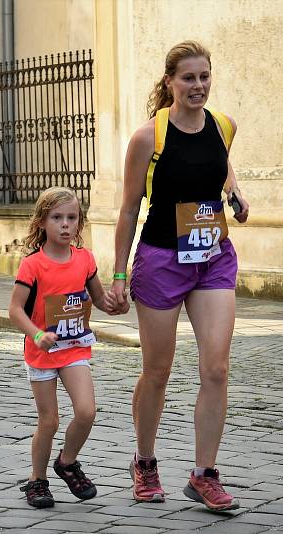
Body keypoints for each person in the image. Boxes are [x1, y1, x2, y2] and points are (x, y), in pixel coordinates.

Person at [110, 41, 248, 511]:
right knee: (158, 370)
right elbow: (129, 209)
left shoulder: (224, 125)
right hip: (162, 259)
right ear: (169, 81)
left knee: (216, 367)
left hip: (212, 255)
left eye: (205, 76)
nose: (199, 86)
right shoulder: (149, 137)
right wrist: (116, 273)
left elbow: (219, 159)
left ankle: (204, 473)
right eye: (188, 78)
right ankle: (144, 461)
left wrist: (236, 193)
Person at [9, 187, 123, 508]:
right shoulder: (33, 265)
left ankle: (67, 462)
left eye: (72, 218)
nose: (65, 225)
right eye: (57, 218)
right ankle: (37, 480)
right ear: (43, 222)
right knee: (50, 421)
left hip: (74, 348)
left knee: (86, 411)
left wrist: (114, 303)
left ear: (79, 222)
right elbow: (15, 310)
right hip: (42, 352)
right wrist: (35, 334)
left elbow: (99, 299)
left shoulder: (85, 260)